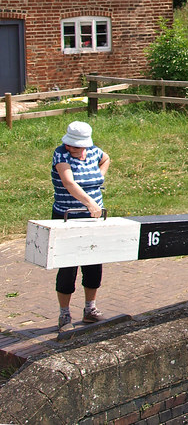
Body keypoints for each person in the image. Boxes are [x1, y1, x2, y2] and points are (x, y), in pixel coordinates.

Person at [51, 121, 110, 330]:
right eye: (71, 145)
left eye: (78, 146)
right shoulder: (61, 154)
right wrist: (90, 202)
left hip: (93, 218)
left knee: (94, 263)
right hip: (68, 216)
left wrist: (99, 178)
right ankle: (64, 315)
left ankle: (90, 309)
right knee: (68, 266)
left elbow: (106, 159)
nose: (73, 150)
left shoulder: (94, 152)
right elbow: (69, 183)